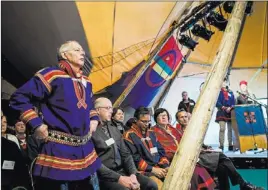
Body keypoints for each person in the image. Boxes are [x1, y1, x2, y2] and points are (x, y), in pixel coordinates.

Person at [9, 40, 101, 190]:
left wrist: (94, 119)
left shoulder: (87, 81)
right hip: (60, 152)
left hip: (87, 152)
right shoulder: (51, 75)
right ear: (64, 55)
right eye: (77, 50)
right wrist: (36, 124)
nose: (82, 53)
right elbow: (19, 97)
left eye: (82, 50)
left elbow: (89, 103)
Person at [175, 109, 263, 190]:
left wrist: (206, 148)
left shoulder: (193, 130)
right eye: (181, 117)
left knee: (222, 167)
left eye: (186, 116)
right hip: (192, 157)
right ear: (178, 120)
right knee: (221, 157)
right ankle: (243, 184)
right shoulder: (177, 132)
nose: (185, 119)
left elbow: (200, 144)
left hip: (201, 153)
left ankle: (241, 184)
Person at [91, 97, 158, 190]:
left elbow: (126, 154)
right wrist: (120, 179)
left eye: (111, 108)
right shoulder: (90, 131)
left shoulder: (113, 128)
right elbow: (94, 163)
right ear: (97, 110)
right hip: (106, 177)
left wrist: (133, 174)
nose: (111, 111)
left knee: (151, 185)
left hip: (124, 171)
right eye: (108, 108)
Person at [153, 108, 216, 190]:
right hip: (170, 159)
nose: (164, 117)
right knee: (193, 173)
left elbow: (185, 142)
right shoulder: (153, 131)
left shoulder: (173, 129)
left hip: (183, 156)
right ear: (156, 119)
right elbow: (156, 150)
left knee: (202, 168)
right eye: (161, 116)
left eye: (165, 115)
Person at [123, 107, 170, 189]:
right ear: (136, 120)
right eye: (144, 121)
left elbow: (161, 151)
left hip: (159, 167)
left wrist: (165, 166)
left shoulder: (151, 133)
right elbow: (134, 158)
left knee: (180, 181)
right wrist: (152, 169)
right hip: (144, 171)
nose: (147, 124)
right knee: (159, 186)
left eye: (148, 121)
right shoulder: (128, 135)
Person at [215, 78, 235, 151]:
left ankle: (230, 144)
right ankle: (221, 145)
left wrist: (230, 107)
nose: (224, 83)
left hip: (230, 112)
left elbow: (233, 102)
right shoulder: (218, 92)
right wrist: (223, 107)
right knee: (222, 129)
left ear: (227, 83)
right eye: (223, 82)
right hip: (221, 111)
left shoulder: (231, 92)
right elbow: (216, 102)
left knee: (230, 129)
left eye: (225, 82)